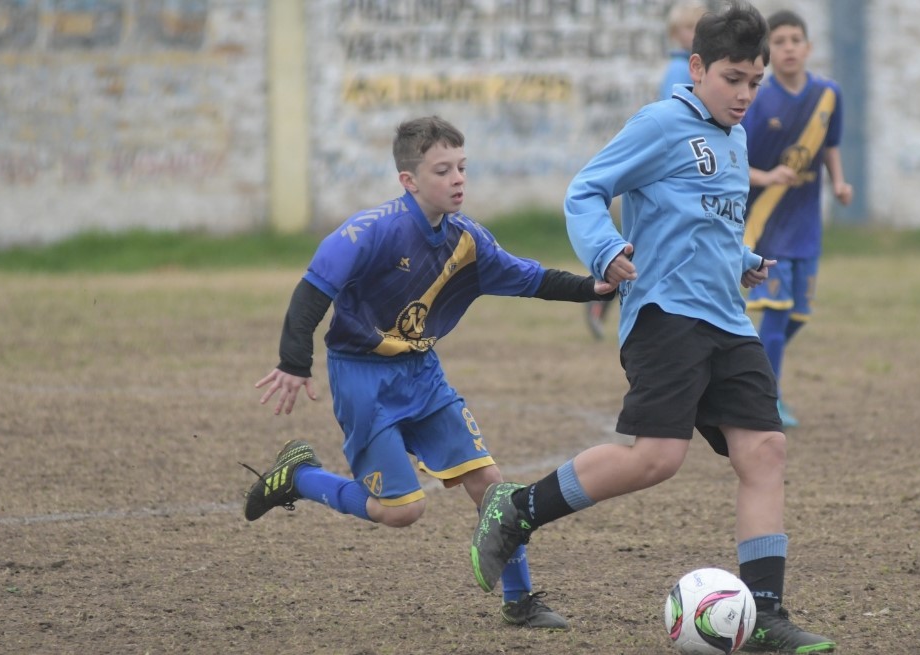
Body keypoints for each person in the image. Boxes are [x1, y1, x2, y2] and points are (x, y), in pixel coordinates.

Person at [471, 3, 835, 652]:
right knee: (657, 458)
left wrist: (744, 260)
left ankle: (765, 614)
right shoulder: (661, 124)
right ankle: (518, 508)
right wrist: (605, 249)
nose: (745, 94)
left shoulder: (735, 136)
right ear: (696, 68)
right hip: (666, 314)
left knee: (765, 450)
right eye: (732, 79)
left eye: (754, 82)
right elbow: (585, 190)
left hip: (726, 318)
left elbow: (709, 220)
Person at [242, 116, 614, 629]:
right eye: (442, 171)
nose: (458, 179)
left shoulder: (467, 239)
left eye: (462, 167)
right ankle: (300, 477)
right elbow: (312, 291)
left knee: (491, 485)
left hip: (422, 374)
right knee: (401, 510)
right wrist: (293, 361)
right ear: (409, 180)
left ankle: (520, 600)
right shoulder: (370, 231)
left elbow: (529, 278)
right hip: (361, 377)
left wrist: (592, 287)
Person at [741, 9, 853, 429]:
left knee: (798, 315)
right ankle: (766, 397)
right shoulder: (756, 99)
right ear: (768, 50)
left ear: (808, 47)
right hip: (765, 223)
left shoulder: (828, 95)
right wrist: (768, 176)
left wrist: (838, 182)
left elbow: (830, 146)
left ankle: (745, 366)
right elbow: (733, 163)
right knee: (775, 311)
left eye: (795, 40)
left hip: (805, 224)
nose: (788, 48)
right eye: (779, 41)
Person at [584, 0, 709, 340]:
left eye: (699, 28)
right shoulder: (680, 70)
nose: (694, 35)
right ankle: (601, 296)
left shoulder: (691, 67)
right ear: (674, 33)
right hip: (671, 167)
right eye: (689, 28)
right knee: (644, 245)